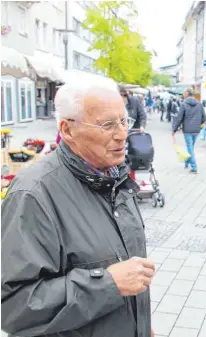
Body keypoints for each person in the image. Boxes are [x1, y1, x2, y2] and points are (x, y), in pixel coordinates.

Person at [1, 81, 155, 337]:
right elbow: (13, 307)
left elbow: (127, 274)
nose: (121, 134)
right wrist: (107, 284)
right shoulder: (33, 194)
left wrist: (140, 324)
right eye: (107, 125)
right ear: (68, 129)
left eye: (123, 120)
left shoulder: (115, 177)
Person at [172, 88, 206, 173]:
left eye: (184, 93)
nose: (183, 94)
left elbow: (179, 118)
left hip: (187, 130)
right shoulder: (199, 104)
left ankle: (194, 167)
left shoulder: (183, 104)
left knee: (190, 147)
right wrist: (199, 124)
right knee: (190, 147)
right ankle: (187, 163)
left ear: (187, 94)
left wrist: (174, 129)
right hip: (196, 130)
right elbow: (204, 117)